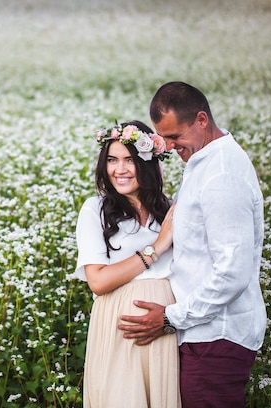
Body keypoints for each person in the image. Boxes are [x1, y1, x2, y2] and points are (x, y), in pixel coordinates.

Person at [117, 82, 267, 408]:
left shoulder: (222, 174)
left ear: (201, 119)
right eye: (164, 137)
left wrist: (172, 317)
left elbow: (232, 272)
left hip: (216, 336)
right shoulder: (204, 161)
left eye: (175, 137)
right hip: (203, 335)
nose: (169, 147)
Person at [74, 120, 180, 407]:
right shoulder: (94, 209)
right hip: (119, 326)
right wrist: (156, 249)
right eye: (112, 160)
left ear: (147, 163)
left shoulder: (169, 209)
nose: (119, 170)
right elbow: (98, 281)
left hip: (164, 326)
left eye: (129, 160)